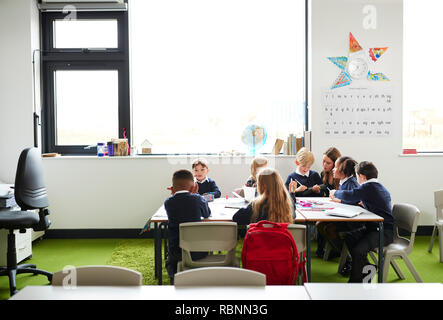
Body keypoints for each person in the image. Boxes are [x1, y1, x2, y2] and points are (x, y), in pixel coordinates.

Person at [330, 161, 394, 283]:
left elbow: (351, 195)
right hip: (375, 228)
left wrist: (335, 192)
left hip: (383, 232)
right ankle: (369, 269)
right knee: (349, 237)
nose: (357, 179)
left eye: (357, 176)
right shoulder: (377, 187)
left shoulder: (368, 187)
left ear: (362, 177)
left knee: (358, 250)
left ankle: (355, 282)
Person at [164, 169, 211, 283]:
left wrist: (174, 194)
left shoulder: (168, 202)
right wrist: (196, 194)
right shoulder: (198, 199)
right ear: (194, 186)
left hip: (177, 252)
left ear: (172, 188)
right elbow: (207, 214)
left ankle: (174, 279)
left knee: (170, 260)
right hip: (199, 251)